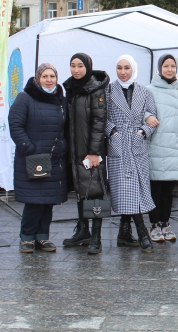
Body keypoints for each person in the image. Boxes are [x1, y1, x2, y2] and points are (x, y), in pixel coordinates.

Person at [9, 63, 68, 253]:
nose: (49, 80)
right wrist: (29, 148)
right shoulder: (25, 98)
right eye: (45, 76)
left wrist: (63, 147)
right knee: (34, 202)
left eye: (52, 76)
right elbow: (16, 125)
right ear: (37, 78)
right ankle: (26, 237)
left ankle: (42, 237)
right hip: (33, 158)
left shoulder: (61, 101)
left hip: (53, 158)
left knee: (48, 202)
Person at [106, 55, 158, 253]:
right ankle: (142, 232)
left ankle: (124, 232)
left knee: (135, 189)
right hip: (119, 145)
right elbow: (101, 117)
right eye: (119, 67)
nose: (122, 71)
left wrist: (143, 132)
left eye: (127, 67)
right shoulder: (108, 90)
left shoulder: (144, 92)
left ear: (133, 69)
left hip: (137, 145)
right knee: (127, 191)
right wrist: (112, 131)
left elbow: (153, 117)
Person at [62, 53, 110, 254]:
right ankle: (83, 230)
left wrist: (93, 152)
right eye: (72, 65)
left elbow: (99, 123)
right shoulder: (71, 89)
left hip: (89, 152)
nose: (76, 69)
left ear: (88, 67)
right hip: (74, 151)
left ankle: (96, 238)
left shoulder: (95, 90)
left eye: (80, 65)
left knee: (94, 192)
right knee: (82, 191)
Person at [145, 55, 178, 242]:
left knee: (168, 191)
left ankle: (165, 222)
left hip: (175, 149)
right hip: (155, 147)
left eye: (173, 66)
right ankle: (154, 224)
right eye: (166, 66)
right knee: (154, 189)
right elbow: (142, 113)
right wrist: (147, 117)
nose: (170, 69)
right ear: (160, 68)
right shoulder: (149, 90)